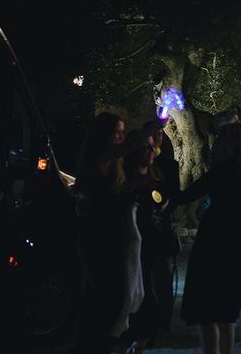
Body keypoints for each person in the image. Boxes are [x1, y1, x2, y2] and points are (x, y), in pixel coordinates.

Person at [176, 121, 241, 354]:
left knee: (207, 311)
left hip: (212, 238)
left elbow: (186, 195)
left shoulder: (218, 172)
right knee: (227, 313)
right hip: (236, 241)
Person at [73, 111, 143, 354]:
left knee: (110, 296)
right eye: (117, 133)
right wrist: (153, 126)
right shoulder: (99, 157)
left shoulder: (114, 165)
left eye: (124, 133)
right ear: (103, 134)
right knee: (103, 296)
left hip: (111, 238)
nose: (122, 137)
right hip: (97, 238)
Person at [123, 130, 177, 353]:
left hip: (155, 242)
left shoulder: (157, 174)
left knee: (157, 292)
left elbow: (168, 197)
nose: (153, 151)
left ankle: (147, 337)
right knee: (139, 297)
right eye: (148, 147)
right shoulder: (125, 179)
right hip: (134, 245)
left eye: (153, 146)